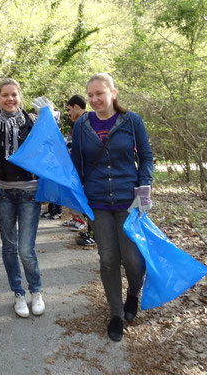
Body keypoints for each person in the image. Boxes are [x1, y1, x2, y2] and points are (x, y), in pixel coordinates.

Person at [71, 73, 153, 342]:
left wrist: (144, 189)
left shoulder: (132, 121)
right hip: (97, 201)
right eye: (90, 95)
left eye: (99, 94)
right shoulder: (81, 126)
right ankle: (116, 313)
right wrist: (77, 199)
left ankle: (134, 293)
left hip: (128, 200)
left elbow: (146, 156)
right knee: (108, 260)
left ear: (113, 93)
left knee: (132, 258)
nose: (94, 99)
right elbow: (78, 164)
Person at [0, 78, 46, 318]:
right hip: (3, 192)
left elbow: (51, 146)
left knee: (26, 249)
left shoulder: (34, 123)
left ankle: (36, 291)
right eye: (5, 95)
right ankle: (18, 293)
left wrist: (49, 119)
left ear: (20, 97)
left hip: (30, 192)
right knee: (9, 247)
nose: (10, 99)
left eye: (14, 95)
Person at [62, 94, 95, 245]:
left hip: (88, 172)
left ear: (76, 106)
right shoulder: (89, 120)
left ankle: (94, 235)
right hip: (88, 171)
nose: (69, 114)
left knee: (91, 204)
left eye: (69, 109)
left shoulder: (82, 122)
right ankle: (91, 232)